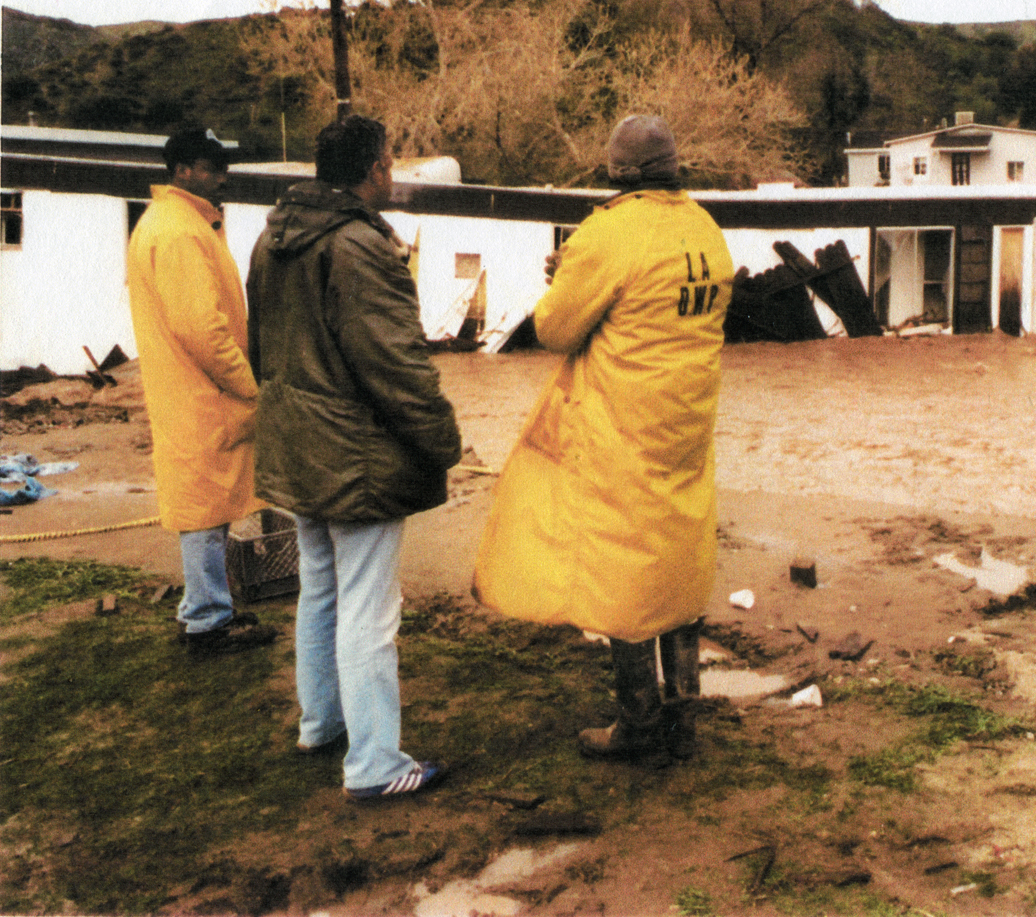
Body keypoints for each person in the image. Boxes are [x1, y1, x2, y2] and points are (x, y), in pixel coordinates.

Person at [474, 114, 733, 763]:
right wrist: (581, 270)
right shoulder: (705, 229)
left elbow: (555, 329)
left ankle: (639, 723)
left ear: (615, 172)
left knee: (626, 570)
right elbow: (654, 296)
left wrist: (568, 275)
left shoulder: (607, 232)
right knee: (678, 561)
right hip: (687, 427)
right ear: (673, 167)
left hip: (623, 428)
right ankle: (684, 716)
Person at [247, 114, 461, 800]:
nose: (392, 171)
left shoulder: (271, 236)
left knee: (320, 588)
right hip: (356, 458)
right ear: (375, 168)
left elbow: (259, 347)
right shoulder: (359, 246)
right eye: (390, 160)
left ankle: (321, 724)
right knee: (369, 609)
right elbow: (395, 364)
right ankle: (375, 765)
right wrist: (443, 440)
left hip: (297, 445)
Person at [127, 127, 276, 656]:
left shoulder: (171, 222)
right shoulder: (180, 231)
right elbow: (202, 330)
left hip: (187, 391)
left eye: (222, 168)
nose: (221, 178)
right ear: (183, 171)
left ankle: (205, 608)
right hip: (202, 394)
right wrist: (248, 386)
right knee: (204, 512)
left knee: (203, 506)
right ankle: (208, 621)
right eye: (211, 169)